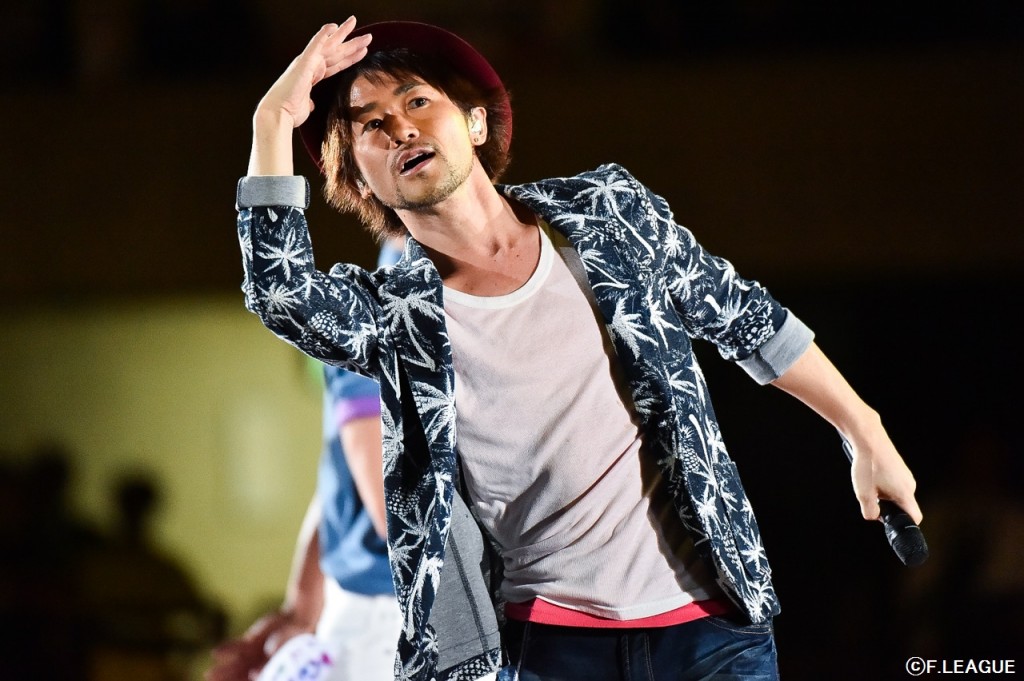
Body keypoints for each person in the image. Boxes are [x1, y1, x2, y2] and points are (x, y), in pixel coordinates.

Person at [234, 16, 922, 681]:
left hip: (713, 633)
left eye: (417, 101)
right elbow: (280, 291)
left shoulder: (607, 214)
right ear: (360, 180)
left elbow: (744, 316)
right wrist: (273, 120)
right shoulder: (393, 314)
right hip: (548, 646)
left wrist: (864, 429)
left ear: (475, 124)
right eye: (370, 125)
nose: (400, 127)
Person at [207, 241, 404, 681]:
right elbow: (395, 515)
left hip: (381, 615)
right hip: (392, 618)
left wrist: (302, 607)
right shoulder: (383, 311)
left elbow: (347, 478)